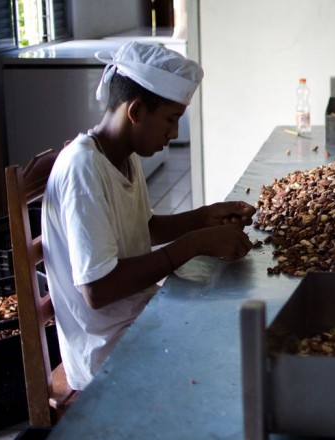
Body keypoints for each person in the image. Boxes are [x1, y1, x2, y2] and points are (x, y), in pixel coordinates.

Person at [42, 42, 256, 391]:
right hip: (106, 349)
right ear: (137, 111)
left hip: (140, 315)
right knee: (232, 356)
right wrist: (194, 244)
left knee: (235, 316)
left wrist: (205, 217)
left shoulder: (122, 155)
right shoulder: (83, 169)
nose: (174, 133)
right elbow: (97, 289)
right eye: (171, 119)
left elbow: (145, 227)